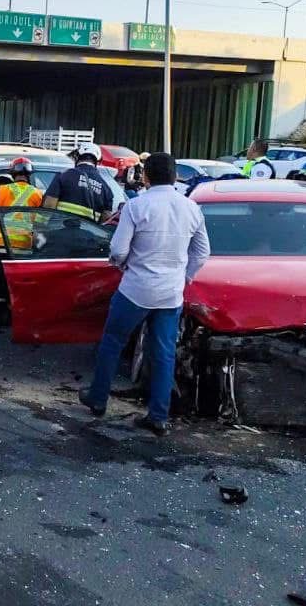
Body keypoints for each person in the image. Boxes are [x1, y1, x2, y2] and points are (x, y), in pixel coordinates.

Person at [79, 152, 210, 436]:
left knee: (112, 342)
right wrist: (184, 276)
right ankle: (158, 416)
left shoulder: (137, 206)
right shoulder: (191, 208)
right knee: (163, 353)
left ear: (146, 176)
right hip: (170, 295)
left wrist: (122, 264)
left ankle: (98, 399)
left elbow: (117, 250)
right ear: (175, 176)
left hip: (135, 290)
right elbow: (202, 252)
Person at [42, 143, 114, 221]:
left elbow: (49, 206)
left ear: (77, 157)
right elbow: (106, 219)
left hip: (60, 229)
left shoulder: (64, 176)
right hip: (88, 232)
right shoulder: (106, 188)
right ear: (98, 161)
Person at [0, 157, 44, 252]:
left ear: (12, 173)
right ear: (29, 174)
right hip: (24, 247)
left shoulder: (1, 190)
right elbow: (40, 223)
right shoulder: (38, 194)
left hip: (1, 244)